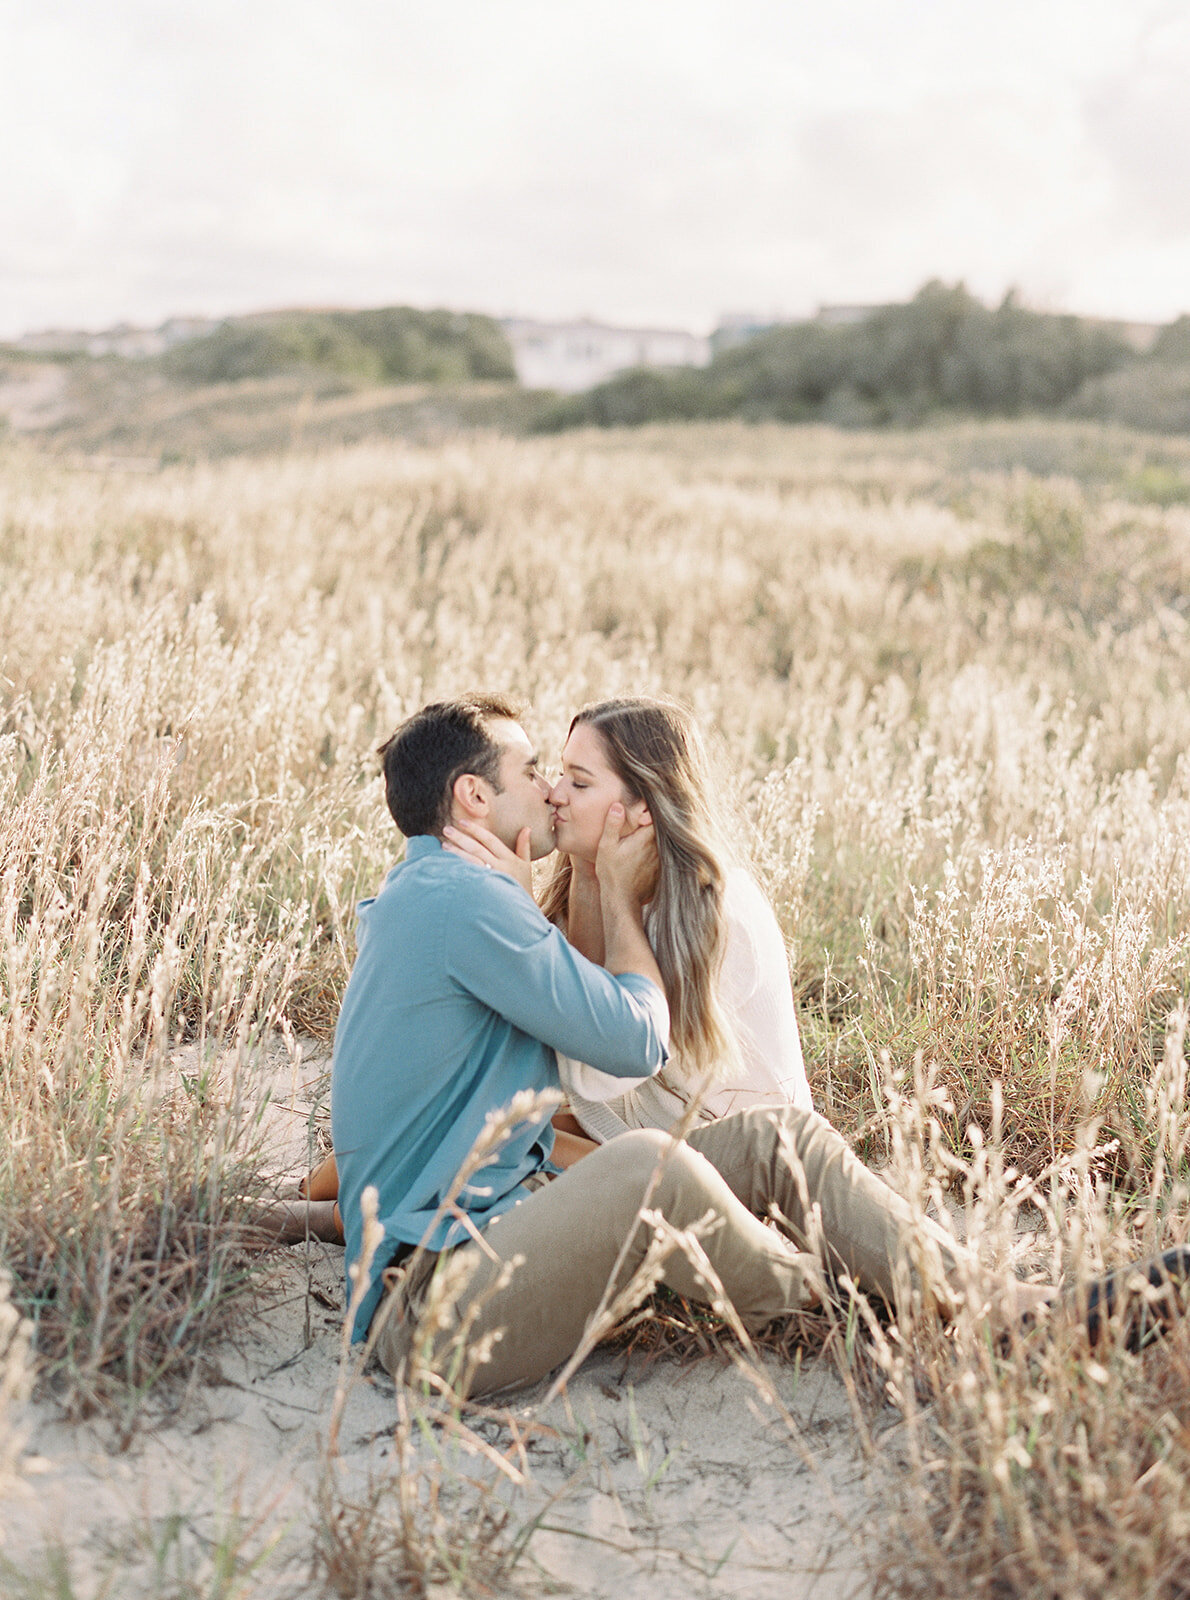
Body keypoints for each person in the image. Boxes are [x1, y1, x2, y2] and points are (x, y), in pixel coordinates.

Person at [323, 693, 1189, 1401]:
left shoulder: (446, 894)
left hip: (492, 1241)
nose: (548, 788)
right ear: (475, 798)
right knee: (648, 1170)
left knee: (782, 1136)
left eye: (565, 775)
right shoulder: (464, 902)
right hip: (432, 1316)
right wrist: (597, 888)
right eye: (531, 769)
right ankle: (857, 1305)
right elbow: (626, 1039)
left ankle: (1013, 1305)